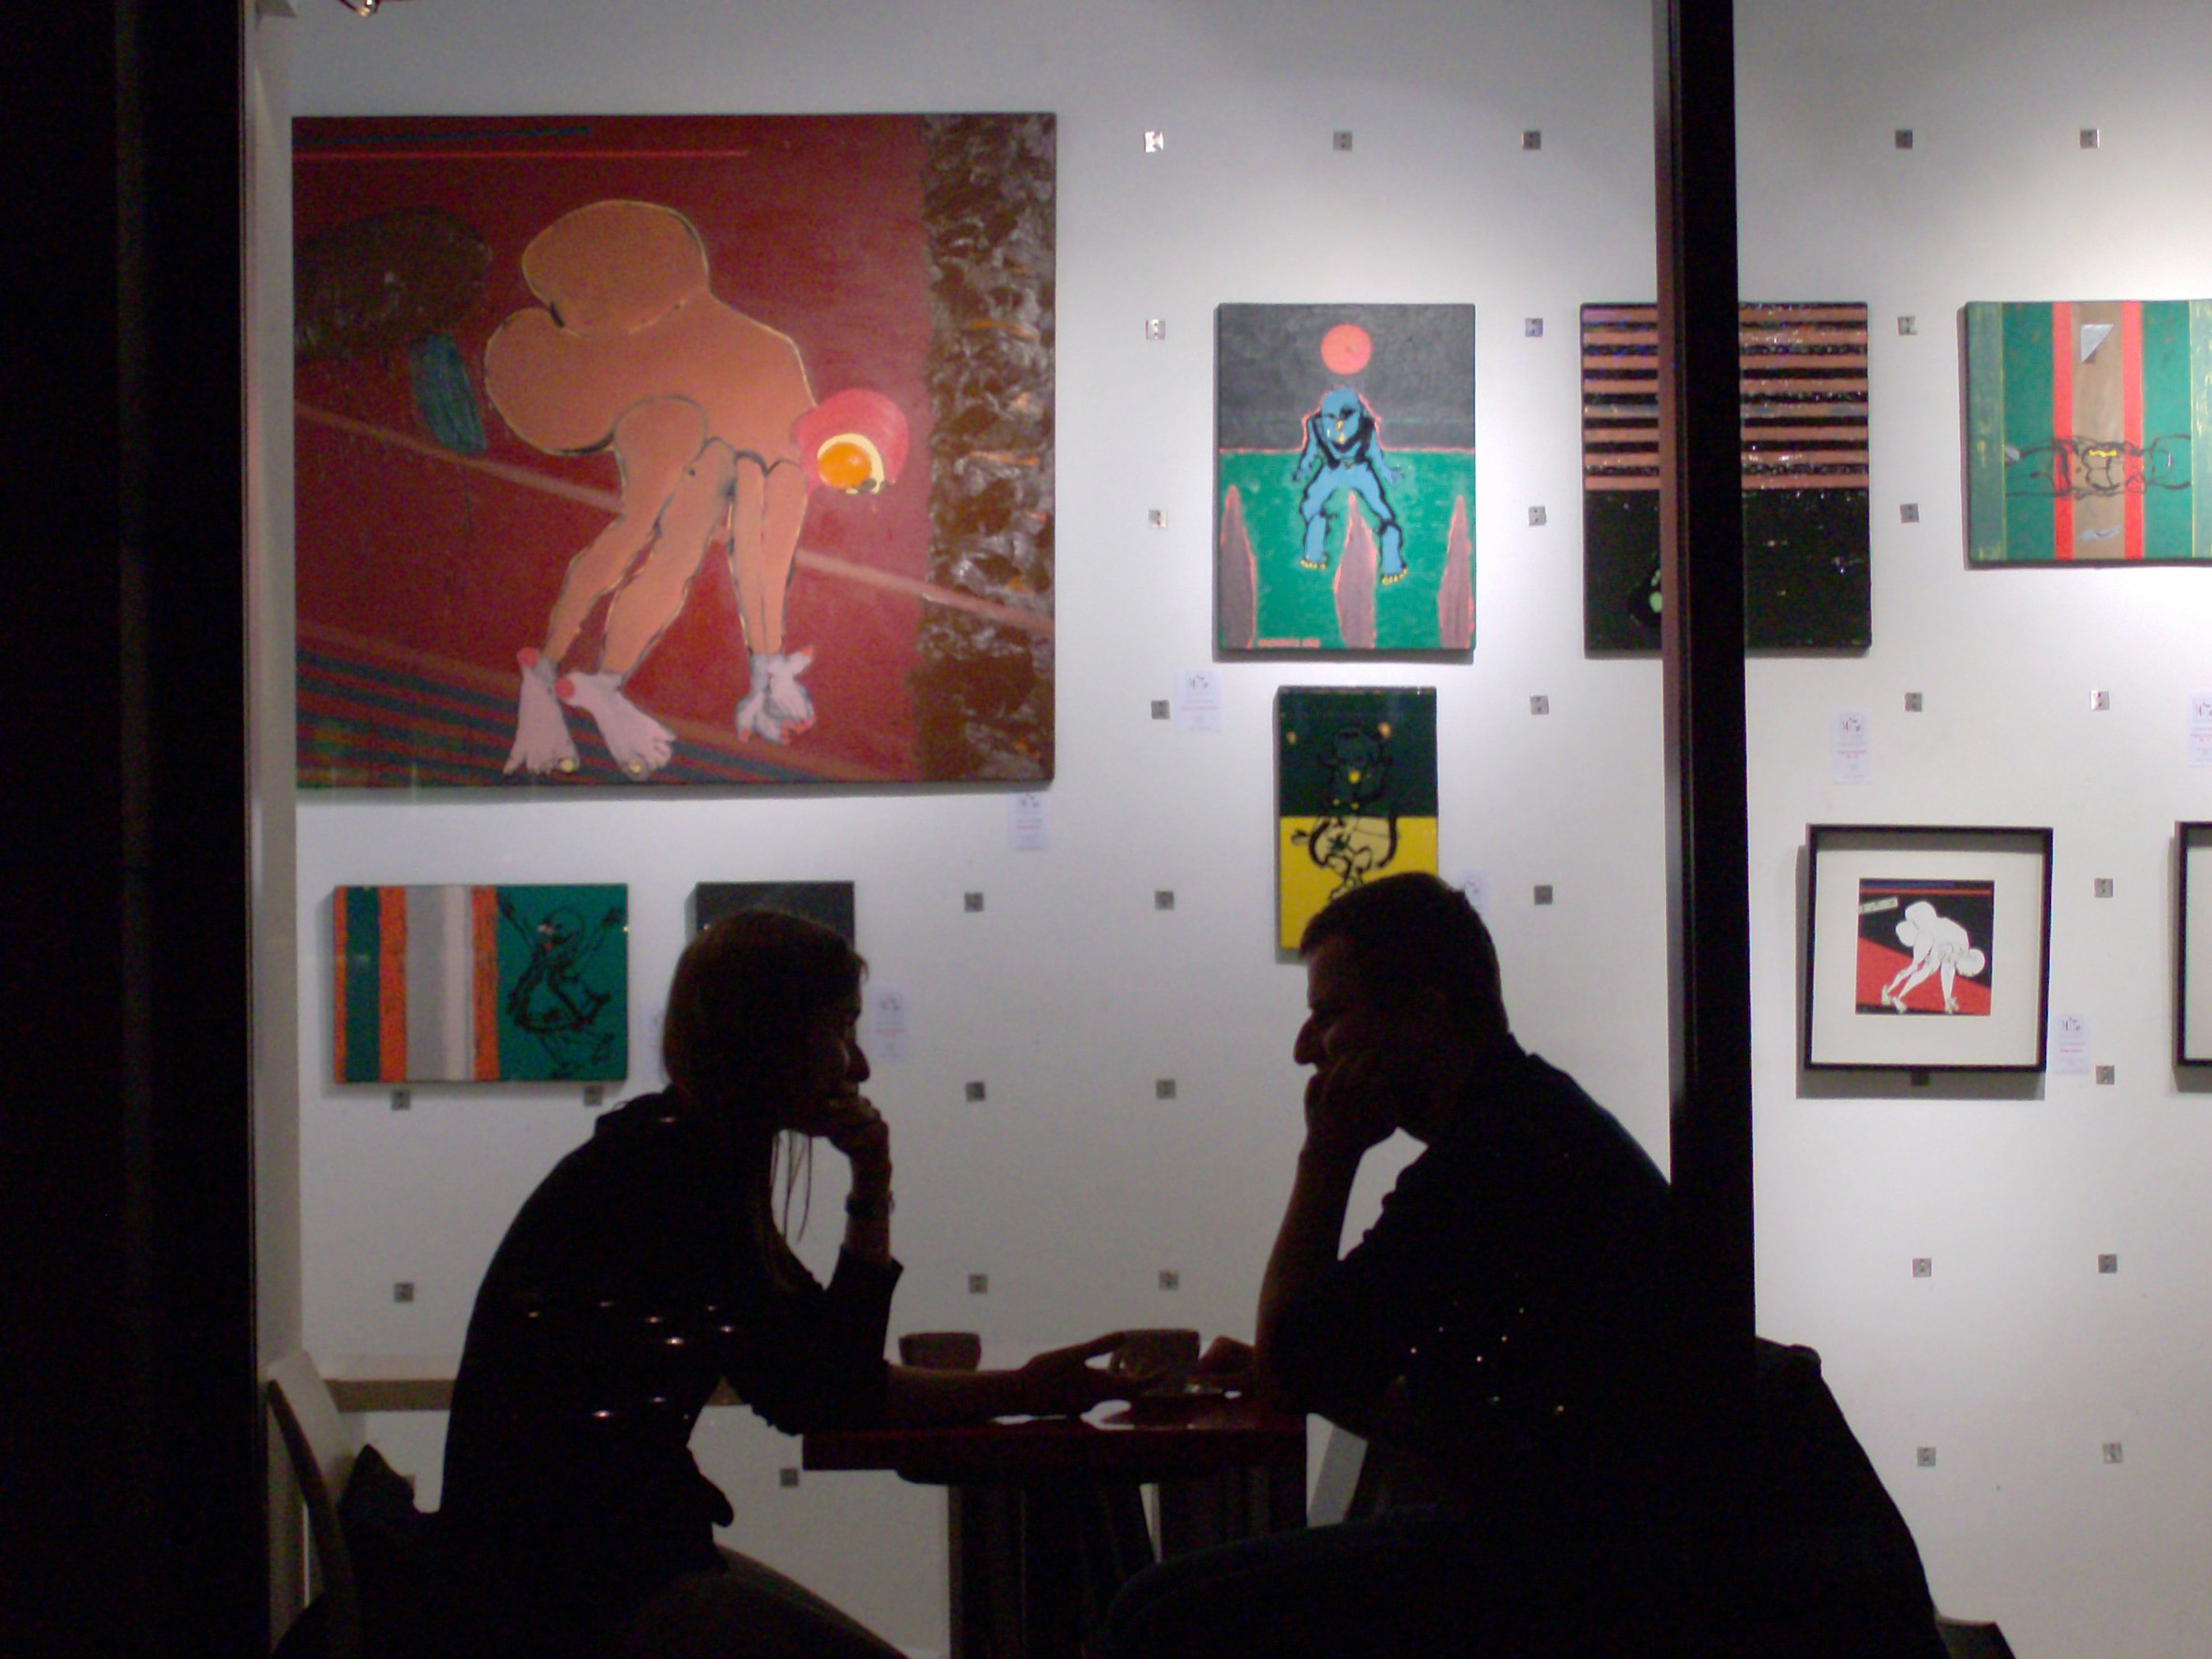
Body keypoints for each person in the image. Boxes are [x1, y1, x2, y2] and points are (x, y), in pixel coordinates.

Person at [439, 909, 1133, 1659]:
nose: (859, 1066)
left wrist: (1025, 1387)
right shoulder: (680, 1176)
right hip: (586, 1593)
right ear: (770, 1037)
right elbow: (829, 1392)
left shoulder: (671, 1155)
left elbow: (826, 1378)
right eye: (841, 1029)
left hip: (560, 1573)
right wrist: (874, 1192)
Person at [1107, 872, 1676, 1658]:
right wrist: (1300, 1363)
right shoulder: (1526, 1122)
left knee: (1156, 1617)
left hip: (1580, 1572)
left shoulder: (1490, 1159)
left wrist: (1326, 1158)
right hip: (1603, 1547)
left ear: (1426, 1013)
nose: (1305, 1049)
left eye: (1329, 1015)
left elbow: (1295, 1370)